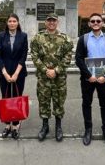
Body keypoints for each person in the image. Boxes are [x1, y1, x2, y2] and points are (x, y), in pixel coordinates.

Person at [75, 13, 105, 148]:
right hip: (88, 79)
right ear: (89, 24)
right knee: (86, 104)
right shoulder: (83, 39)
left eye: (98, 21)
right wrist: (88, 75)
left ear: (102, 23)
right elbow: (79, 59)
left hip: (103, 79)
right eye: (92, 21)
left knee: (104, 104)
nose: (95, 23)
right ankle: (88, 130)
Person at [30, 13, 73, 142]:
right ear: (45, 22)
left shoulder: (65, 39)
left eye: (54, 21)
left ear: (57, 22)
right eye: (49, 21)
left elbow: (68, 56)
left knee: (59, 101)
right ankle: (45, 126)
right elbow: (34, 55)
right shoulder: (38, 38)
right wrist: (45, 70)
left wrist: (56, 70)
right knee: (44, 101)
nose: (51, 23)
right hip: (43, 78)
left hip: (59, 78)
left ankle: (58, 127)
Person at [0, 13, 28, 139]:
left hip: (18, 73)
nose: (12, 23)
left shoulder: (23, 36)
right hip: (4, 72)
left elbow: (23, 56)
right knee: (6, 98)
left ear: (18, 23)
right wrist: (4, 72)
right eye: (10, 21)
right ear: (7, 23)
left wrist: (15, 73)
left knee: (16, 98)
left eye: (14, 21)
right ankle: (7, 125)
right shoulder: (2, 36)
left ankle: (15, 125)